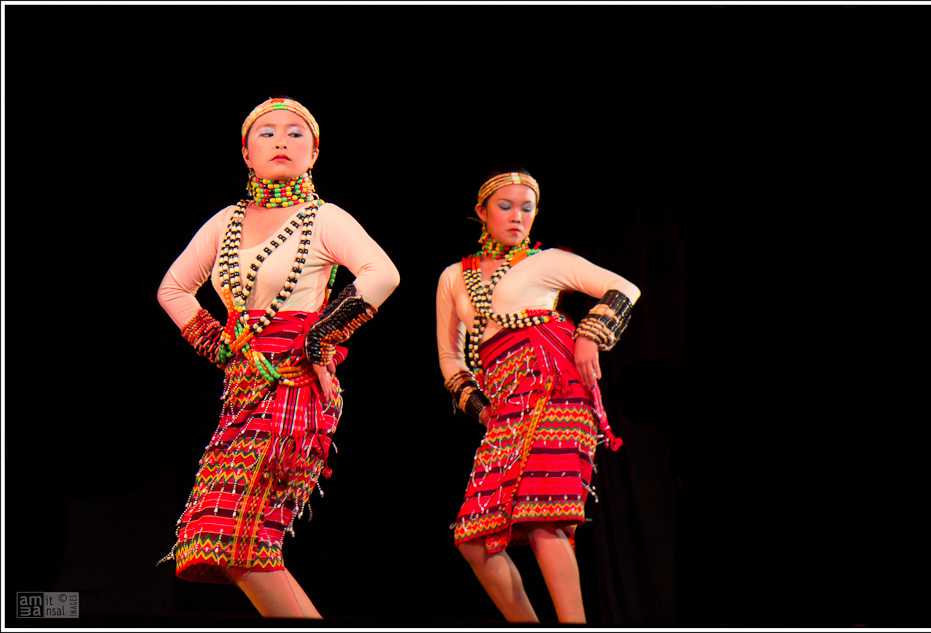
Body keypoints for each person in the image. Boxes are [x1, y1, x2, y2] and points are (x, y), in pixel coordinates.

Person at [156, 97, 400, 618]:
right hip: (243, 391)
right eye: (267, 134)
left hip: (295, 388)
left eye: (295, 133)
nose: (282, 141)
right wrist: (221, 345)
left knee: (242, 536)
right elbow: (173, 289)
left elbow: (383, 273)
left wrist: (320, 339)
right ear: (246, 153)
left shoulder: (325, 218)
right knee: (217, 537)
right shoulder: (227, 221)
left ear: (314, 152)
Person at [435, 170, 640, 623]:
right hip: (505, 404)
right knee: (472, 538)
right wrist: (480, 407)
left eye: (526, 208)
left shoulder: (546, 262)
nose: (517, 216)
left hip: (557, 386)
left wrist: (590, 334)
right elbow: (450, 357)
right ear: (481, 213)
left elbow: (625, 287)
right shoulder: (454, 277)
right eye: (505, 206)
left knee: (545, 515)